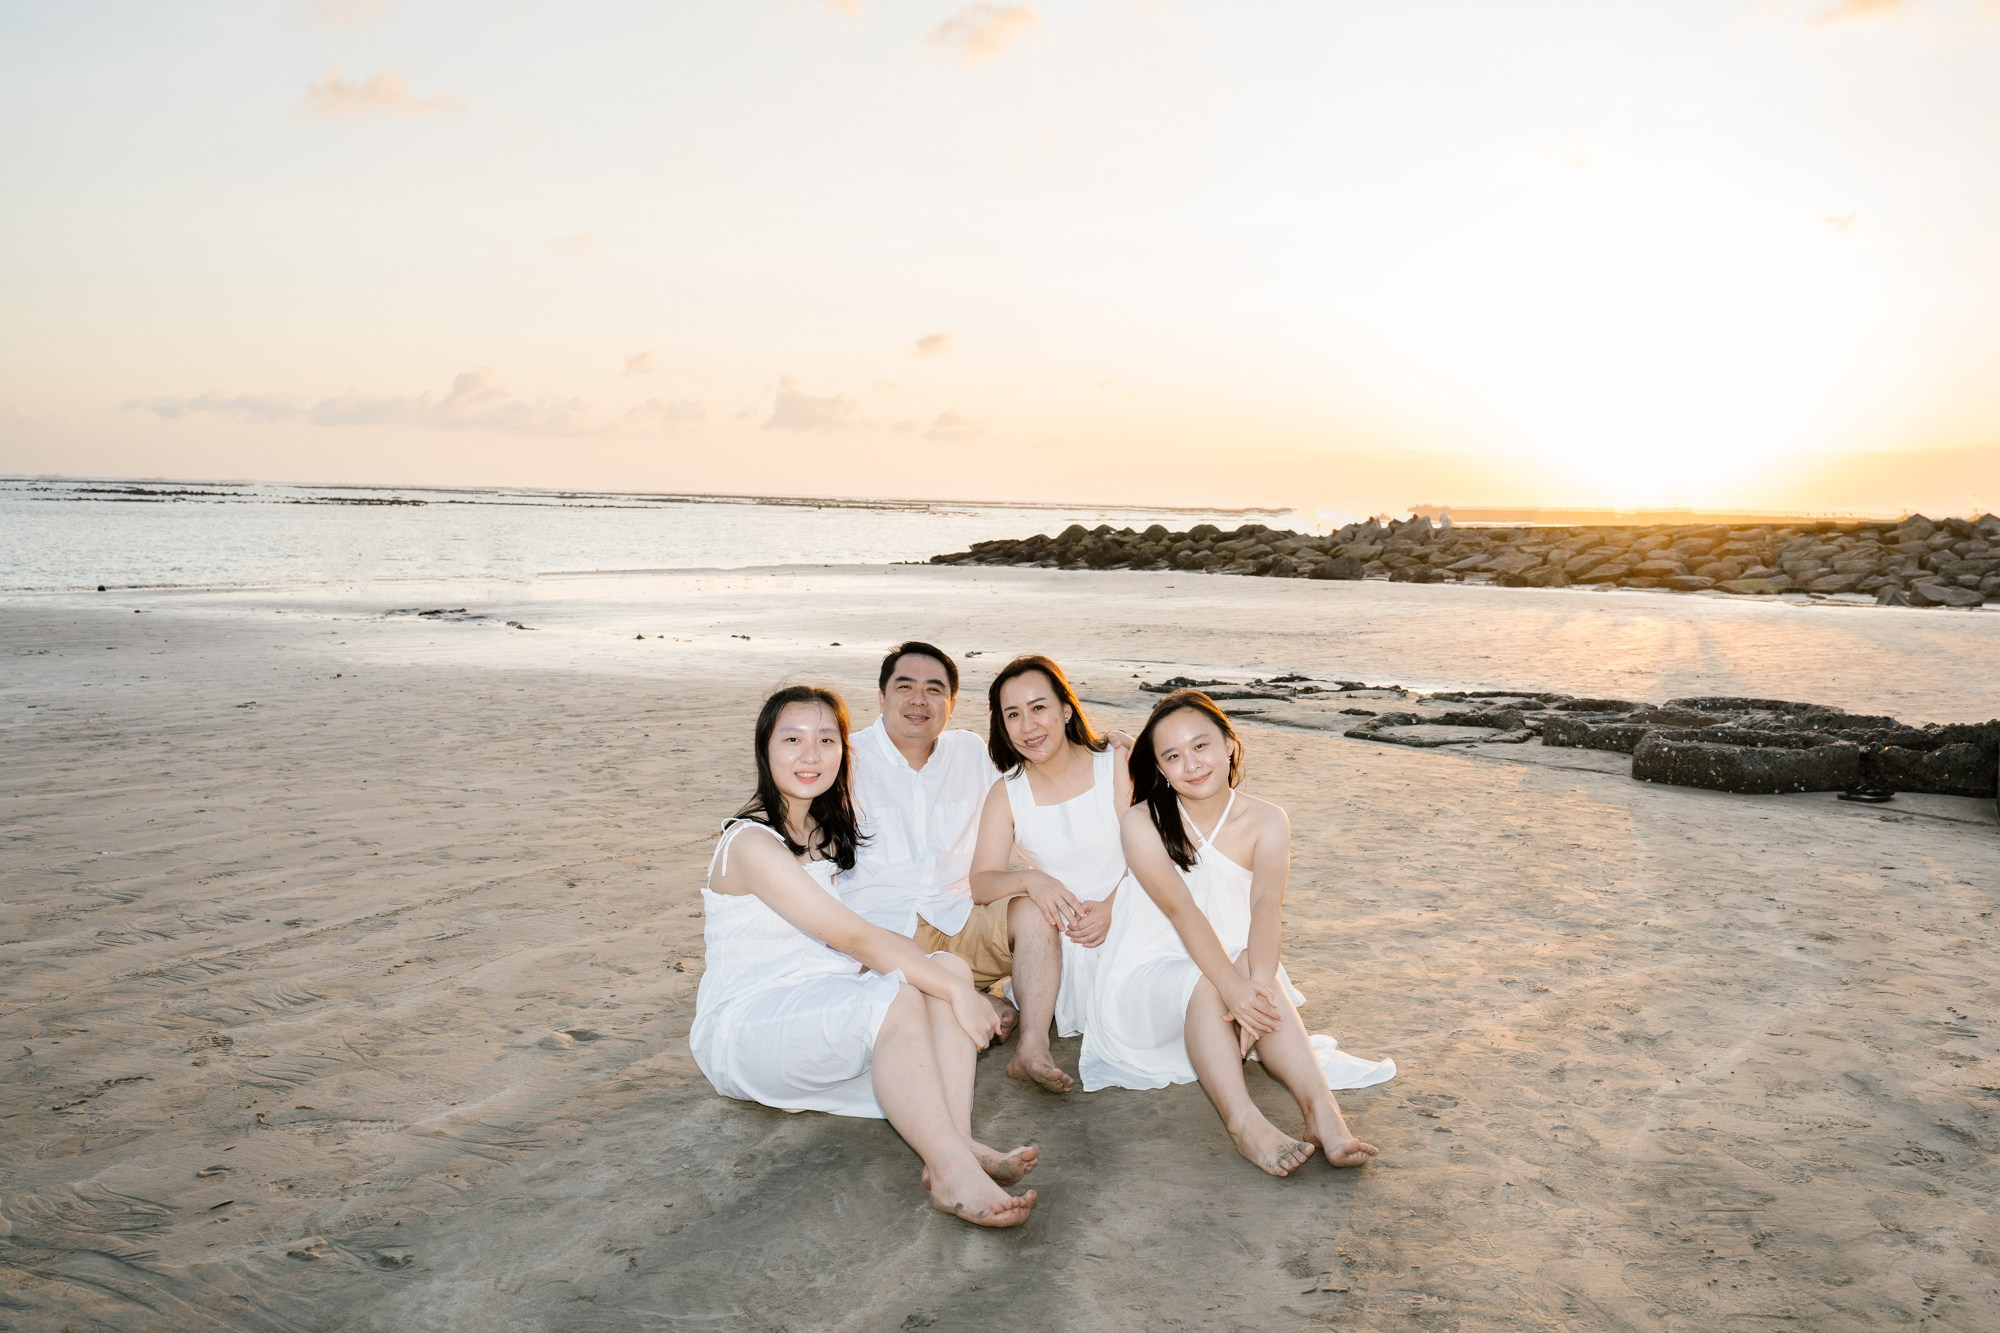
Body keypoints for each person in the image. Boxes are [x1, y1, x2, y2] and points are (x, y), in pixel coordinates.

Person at [690, 684, 1038, 1227]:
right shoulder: (751, 844)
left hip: (815, 1004)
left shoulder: (821, 833)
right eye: (793, 739)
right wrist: (959, 996)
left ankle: (956, 1141)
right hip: (750, 1023)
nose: (811, 755)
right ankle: (949, 1170)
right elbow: (854, 938)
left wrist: (952, 982)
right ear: (765, 749)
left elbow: (854, 947)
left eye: (826, 739)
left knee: (945, 966)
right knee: (912, 993)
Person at [1079, 689, 1393, 1177]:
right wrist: (1237, 993)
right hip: (1144, 981)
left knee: (1251, 968)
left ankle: (1322, 1114)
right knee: (1212, 978)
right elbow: (1181, 911)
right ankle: (1244, 1122)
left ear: (1229, 743)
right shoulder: (1142, 822)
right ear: (1160, 769)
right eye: (1173, 756)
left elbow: (1266, 907)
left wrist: (1258, 990)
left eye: (1201, 746)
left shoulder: (1268, 819)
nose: (1191, 764)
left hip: (1230, 967)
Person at [838, 642, 1073, 1093]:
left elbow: (1044, 768)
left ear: (951, 704)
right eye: (904, 687)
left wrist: (1110, 749)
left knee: (1033, 913)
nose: (918, 700)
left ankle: (1033, 1047)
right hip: (886, 934)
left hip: (960, 918)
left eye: (934, 689)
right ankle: (974, 999)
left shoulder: (970, 753)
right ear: (881, 697)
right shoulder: (845, 759)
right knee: (890, 1006)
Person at [968, 655, 1131, 1079]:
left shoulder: (1115, 762)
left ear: (1065, 707)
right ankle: (1032, 1045)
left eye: (1039, 707)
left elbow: (1154, 854)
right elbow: (982, 883)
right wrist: (1031, 879)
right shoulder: (1007, 793)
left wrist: (1114, 906)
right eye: (1013, 714)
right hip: (1071, 940)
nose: (1028, 726)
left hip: (1136, 910)